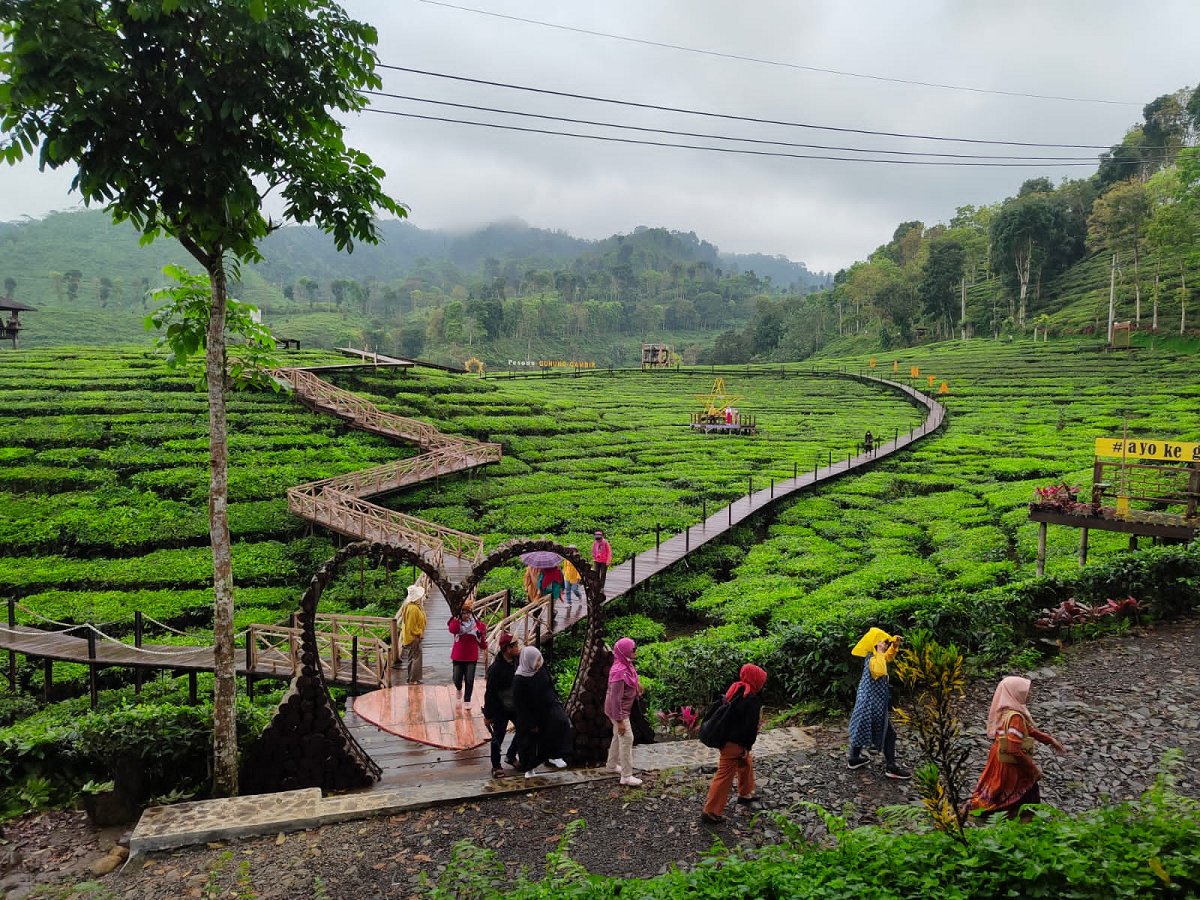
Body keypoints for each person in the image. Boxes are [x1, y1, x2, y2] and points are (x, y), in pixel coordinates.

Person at [965, 676, 1066, 823]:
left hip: (999, 757)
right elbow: (1013, 748)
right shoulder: (1016, 718)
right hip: (1011, 764)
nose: (1029, 694)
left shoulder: (1006, 711)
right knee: (1020, 794)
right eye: (1025, 691)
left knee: (996, 789)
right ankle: (1018, 824)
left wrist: (1050, 741)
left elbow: (1029, 730)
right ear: (1014, 693)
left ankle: (976, 815)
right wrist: (1032, 770)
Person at [702, 663, 767, 824]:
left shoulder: (735, 690)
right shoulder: (750, 699)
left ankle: (745, 794)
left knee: (746, 761)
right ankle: (710, 811)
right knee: (724, 776)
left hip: (725, 738)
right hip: (734, 743)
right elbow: (750, 729)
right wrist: (746, 747)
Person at [847, 628, 911, 779]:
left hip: (867, 703)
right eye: (883, 643)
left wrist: (894, 646)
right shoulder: (874, 660)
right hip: (871, 705)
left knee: (860, 729)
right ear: (876, 645)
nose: (885, 646)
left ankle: (854, 758)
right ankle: (891, 766)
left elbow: (887, 659)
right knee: (889, 734)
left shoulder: (875, 656)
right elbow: (880, 670)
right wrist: (881, 652)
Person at [511, 646, 572, 777]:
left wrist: (555, 700)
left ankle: (554, 755)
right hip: (529, 714)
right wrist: (531, 723)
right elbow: (520, 705)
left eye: (539, 660)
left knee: (557, 728)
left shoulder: (541, 669)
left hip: (546, 708)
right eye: (536, 661)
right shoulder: (520, 679)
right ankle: (528, 768)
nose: (539, 663)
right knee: (528, 743)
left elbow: (549, 684)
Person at [604, 637, 645, 786]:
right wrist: (620, 721)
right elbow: (615, 700)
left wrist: (637, 685)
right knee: (627, 738)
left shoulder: (625, 662)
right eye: (633, 649)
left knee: (617, 736)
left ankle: (611, 765)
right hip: (618, 711)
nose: (635, 651)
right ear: (626, 651)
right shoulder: (619, 672)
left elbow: (632, 675)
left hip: (621, 709)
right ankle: (626, 776)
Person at [481, 632, 522, 778]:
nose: (518, 648)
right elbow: (490, 693)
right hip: (500, 708)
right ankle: (496, 766)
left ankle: (511, 756)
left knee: (523, 730)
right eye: (515, 645)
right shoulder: (496, 669)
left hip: (516, 705)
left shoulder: (519, 661)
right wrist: (488, 715)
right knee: (498, 736)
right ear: (508, 649)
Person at [448, 599, 486, 708]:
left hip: (471, 655)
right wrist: (455, 619)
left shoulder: (475, 623)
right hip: (458, 655)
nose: (466, 615)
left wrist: (483, 645)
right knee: (456, 678)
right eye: (464, 613)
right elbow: (453, 629)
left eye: (468, 612)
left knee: (469, 679)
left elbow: (480, 636)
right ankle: (459, 688)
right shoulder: (457, 623)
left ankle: (467, 699)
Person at [395, 583, 427, 684]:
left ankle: (410, 678)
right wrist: (419, 633)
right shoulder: (413, 609)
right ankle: (414, 679)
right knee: (416, 658)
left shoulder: (409, 605)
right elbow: (412, 626)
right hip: (413, 637)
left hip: (409, 636)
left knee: (411, 657)